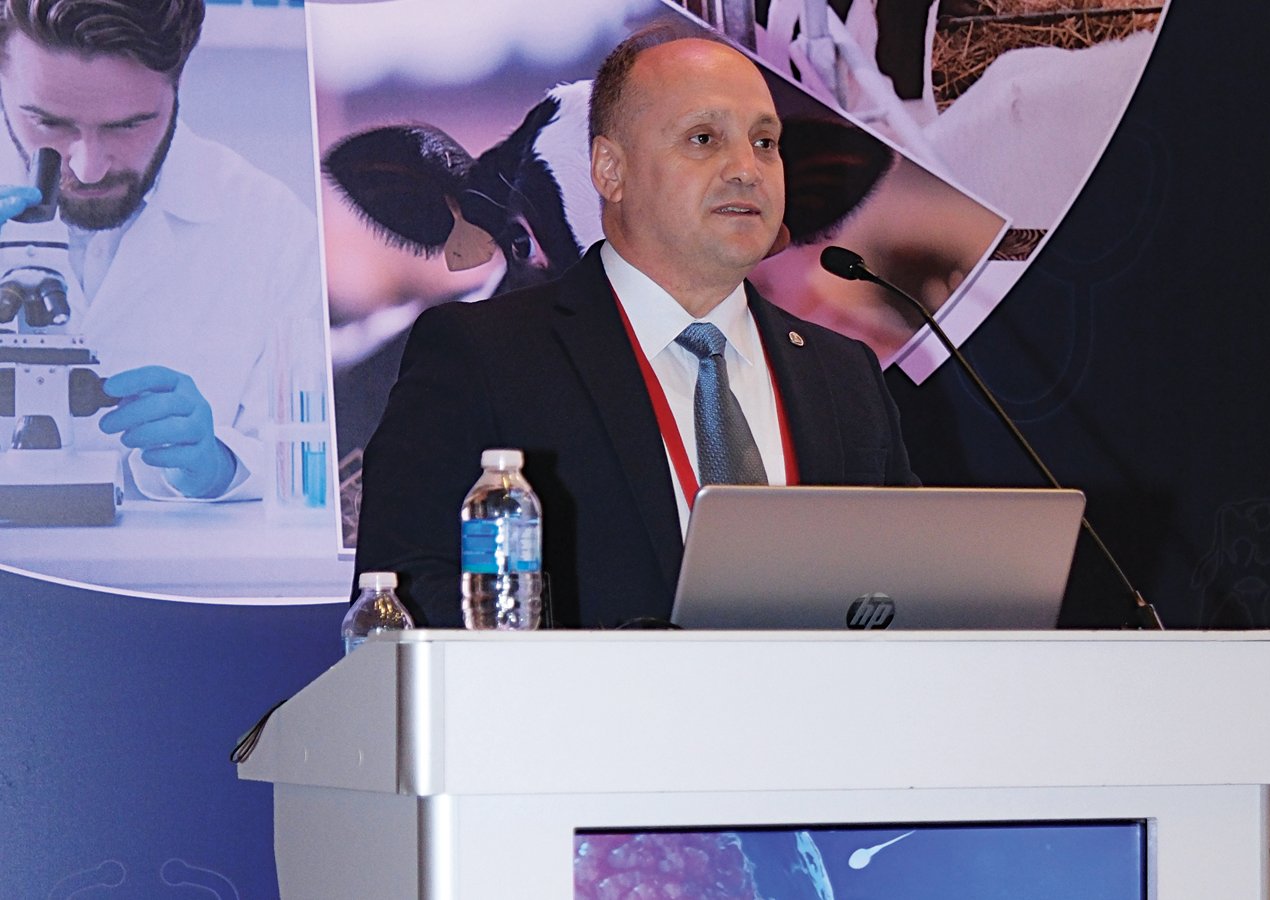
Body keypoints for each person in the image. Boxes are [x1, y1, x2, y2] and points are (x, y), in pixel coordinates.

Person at [355, 24, 917, 629]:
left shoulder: (842, 374)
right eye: (703, 138)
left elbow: (907, 590)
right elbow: (403, 601)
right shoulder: (483, 356)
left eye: (765, 142)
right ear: (610, 169)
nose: (746, 170)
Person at [0, 0, 322, 501]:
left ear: (178, 83)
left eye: (127, 125)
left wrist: (221, 465)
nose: (87, 168)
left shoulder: (272, 227)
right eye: (49, 124)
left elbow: (306, 464)